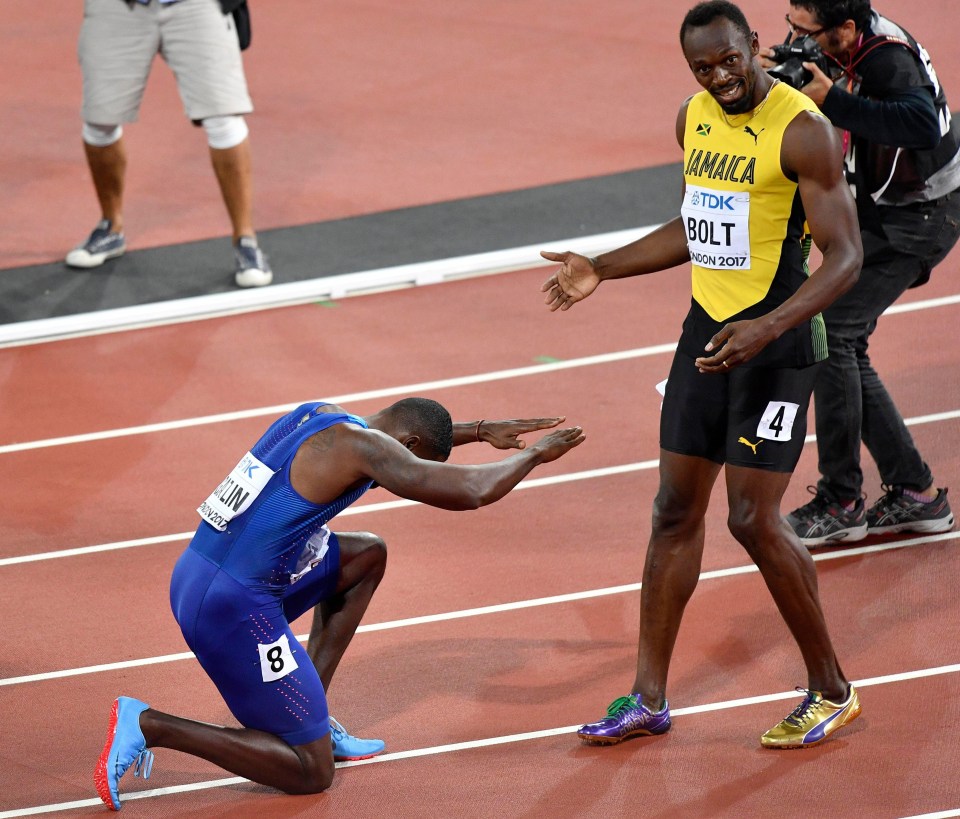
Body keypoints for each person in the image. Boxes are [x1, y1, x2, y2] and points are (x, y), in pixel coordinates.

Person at [541, 0, 865, 749]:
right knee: (671, 512)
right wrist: (604, 268)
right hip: (706, 337)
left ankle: (832, 688)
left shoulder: (802, 130)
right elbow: (698, 221)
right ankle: (647, 697)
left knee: (752, 519)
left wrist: (768, 325)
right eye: (702, 67)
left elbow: (846, 257)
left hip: (778, 345)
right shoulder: (694, 118)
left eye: (729, 59)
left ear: (754, 44)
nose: (719, 76)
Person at [94, 399, 585, 809]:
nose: (411, 471)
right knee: (310, 772)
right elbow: (473, 491)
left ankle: (314, 714)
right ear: (408, 448)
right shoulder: (369, 450)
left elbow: (400, 441)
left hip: (199, 574)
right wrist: (538, 454)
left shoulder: (325, 417)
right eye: (417, 463)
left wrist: (476, 431)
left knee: (366, 554)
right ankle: (151, 724)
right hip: (232, 609)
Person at [763, 1, 958, 547]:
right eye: (791, 29)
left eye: (807, 34)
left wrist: (837, 102)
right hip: (889, 210)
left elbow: (921, 122)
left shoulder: (888, 59)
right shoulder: (847, 42)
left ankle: (843, 499)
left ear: (846, 28)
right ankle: (915, 493)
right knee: (841, 338)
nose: (799, 41)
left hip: (920, 217)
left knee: (832, 330)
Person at [68, 0, 273, 288]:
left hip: (197, 6)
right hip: (119, 7)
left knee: (223, 119)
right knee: (99, 121)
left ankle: (246, 240)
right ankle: (110, 227)